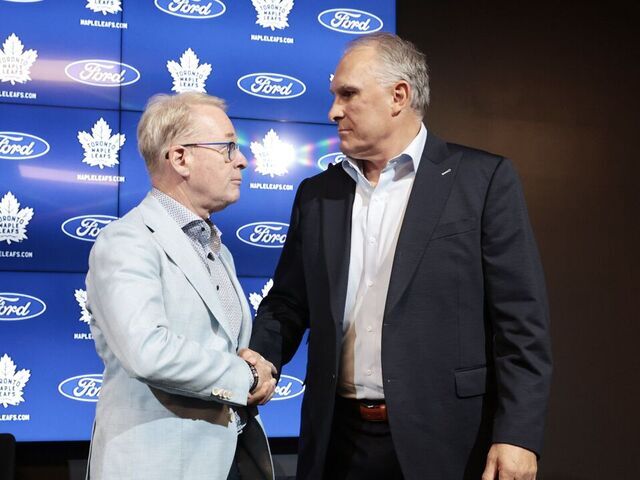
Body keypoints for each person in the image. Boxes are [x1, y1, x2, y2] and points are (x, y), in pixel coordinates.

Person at [246, 33, 552, 480]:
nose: (333, 111)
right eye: (335, 96)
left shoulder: (482, 181)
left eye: (347, 94)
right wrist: (263, 356)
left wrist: (519, 435)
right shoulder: (318, 194)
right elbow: (289, 302)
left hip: (450, 442)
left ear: (399, 96)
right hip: (336, 441)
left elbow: (522, 323)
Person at [85, 92, 275, 480]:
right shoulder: (127, 241)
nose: (241, 160)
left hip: (226, 460)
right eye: (227, 147)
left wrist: (252, 359)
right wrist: (245, 377)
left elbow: (216, 344)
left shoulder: (217, 249)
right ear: (180, 158)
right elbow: (148, 351)